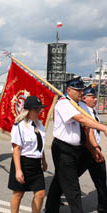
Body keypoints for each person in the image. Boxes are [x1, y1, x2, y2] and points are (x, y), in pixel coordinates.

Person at [45, 77, 107, 213]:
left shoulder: (80, 105)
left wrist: (93, 149)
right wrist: (103, 128)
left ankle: (50, 209)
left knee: (60, 182)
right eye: (78, 90)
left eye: (82, 90)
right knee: (73, 188)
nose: (81, 93)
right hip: (63, 150)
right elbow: (81, 119)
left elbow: (86, 130)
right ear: (69, 90)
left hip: (79, 149)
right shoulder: (64, 104)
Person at [8, 96, 47, 213]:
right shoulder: (19, 126)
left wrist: (43, 160)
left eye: (40, 109)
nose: (39, 111)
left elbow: (41, 145)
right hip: (23, 162)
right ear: (28, 110)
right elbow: (16, 149)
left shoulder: (40, 125)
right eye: (36, 109)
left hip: (36, 163)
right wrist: (18, 170)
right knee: (18, 194)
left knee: (41, 193)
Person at [78, 85, 107, 213]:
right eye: (93, 97)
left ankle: (103, 206)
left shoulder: (92, 110)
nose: (96, 100)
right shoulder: (83, 110)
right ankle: (53, 202)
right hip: (86, 150)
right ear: (85, 98)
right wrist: (94, 148)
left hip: (95, 150)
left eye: (96, 97)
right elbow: (87, 132)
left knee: (101, 180)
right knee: (68, 180)